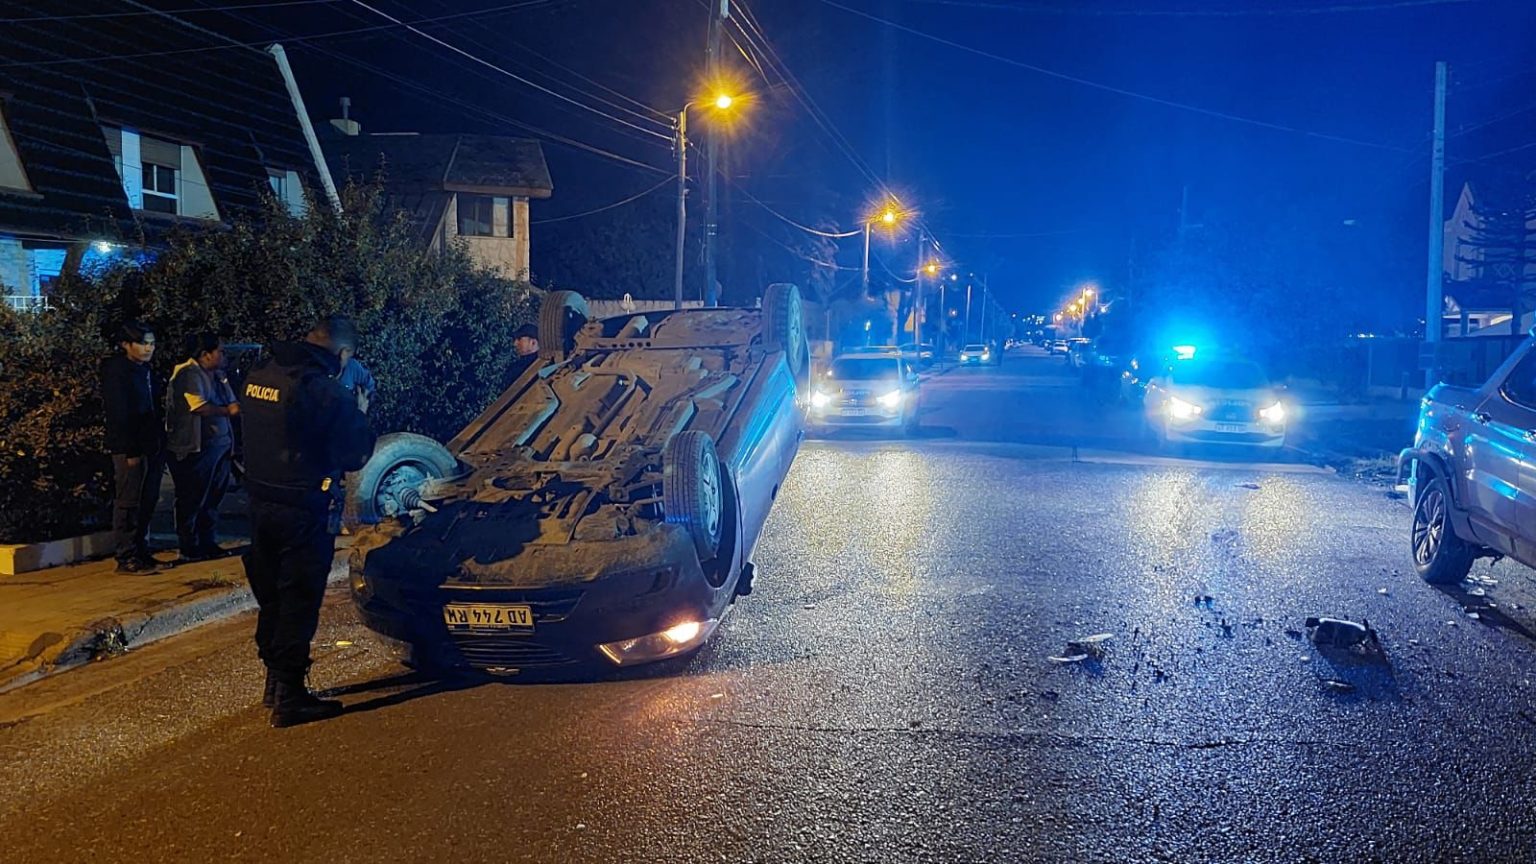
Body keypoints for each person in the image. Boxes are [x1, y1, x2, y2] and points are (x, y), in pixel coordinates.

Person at [240, 316, 374, 728]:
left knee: (272, 598)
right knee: (298, 599)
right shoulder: (325, 391)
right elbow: (354, 454)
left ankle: (274, 683)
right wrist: (359, 412)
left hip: (259, 503)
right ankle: (291, 698)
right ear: (343, 353)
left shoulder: (261, 374)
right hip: (302, 508)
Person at [165, 333, 239, 562]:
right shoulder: (189, 373)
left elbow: (233, 402)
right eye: (220, 351)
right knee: (192, 497)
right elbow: (198, 406)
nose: (224, 356)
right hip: (197, 447)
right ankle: (189, 545)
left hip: (220, 445)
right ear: (205, 354)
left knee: (213, 497)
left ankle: (208, 541)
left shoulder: (218, 375)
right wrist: (226, 411)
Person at [100, 320, 166, 574]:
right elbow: (120, 414)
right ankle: (126, 556)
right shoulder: (118, 373)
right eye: (143, 344)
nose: (148, 349)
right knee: (128, 502)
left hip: (151, 445)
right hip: (130, 449)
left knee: (147, 500)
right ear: (126, 345)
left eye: (151, 344)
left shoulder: (146, 371)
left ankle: (141, 551)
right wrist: (131, 451)